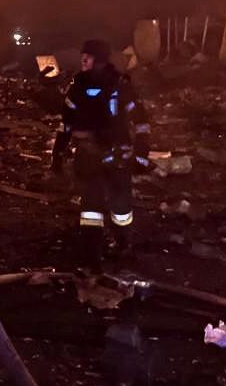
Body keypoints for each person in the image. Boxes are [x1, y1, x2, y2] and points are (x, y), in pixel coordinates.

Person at [51, 38, 152, 268]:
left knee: (119, 207)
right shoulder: (79, 87)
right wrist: (57, 156)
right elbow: (65, 125)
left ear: (98, 59)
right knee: (91, 208)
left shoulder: (118, 86)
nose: (83, 61)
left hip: (114, 157)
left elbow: (140, 122)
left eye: (86, 57)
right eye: (83, 57)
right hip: (93, 158)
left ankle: (121, 245)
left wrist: (141, 155)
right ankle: (93, 252)